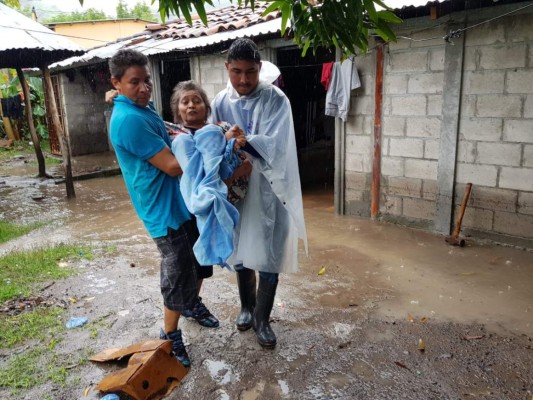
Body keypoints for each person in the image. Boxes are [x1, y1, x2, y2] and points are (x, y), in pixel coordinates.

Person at [107, 49, 218, 368]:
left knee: (199, 262)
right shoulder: (128, 120)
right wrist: (213, 147)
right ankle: (170, 333)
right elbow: (172, 165)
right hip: (162, 209)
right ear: (116, 82)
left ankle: (193, 305)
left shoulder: (141, 107)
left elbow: (169, 135)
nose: (143, 89)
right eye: (134, 83)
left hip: (182, 201)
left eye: (146, 82)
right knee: (178, 271)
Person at [211, 38, 308, 349]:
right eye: (236, 71)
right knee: (238, 247)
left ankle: (263, 320)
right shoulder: (219, 102)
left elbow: (279, 146)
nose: (243, 80)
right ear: (227, 68)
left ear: (260, 69)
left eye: (250, 72)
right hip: (236, 189)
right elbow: (210, 141)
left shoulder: (277, 99)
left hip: (268, 191)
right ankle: (246, 307)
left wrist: (245, 140)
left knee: (268, 252)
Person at [168, 80, 251, 268]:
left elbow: (243, 158)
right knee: (196, 266)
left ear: (206, 107)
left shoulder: (221, 127)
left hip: (234, 201)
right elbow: (195, 173)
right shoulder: (177, 135)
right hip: (200, 205)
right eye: (185, 102)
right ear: (178, 110)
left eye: (196, 100)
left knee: (243, 260)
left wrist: (237, 140)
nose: (191, 105)